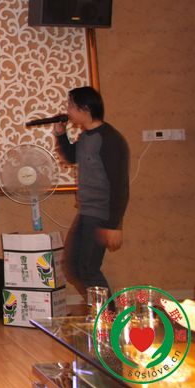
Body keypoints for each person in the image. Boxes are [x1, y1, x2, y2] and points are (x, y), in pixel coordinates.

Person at [54, 86, 129, 298]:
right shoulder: (86, 136)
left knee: (88, 269)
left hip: (100, 215)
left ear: (85, 108)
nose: (67, 110)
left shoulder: (110, 139)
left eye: (71, 106)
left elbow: (120, 186)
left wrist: (114, 225)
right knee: (72, 267)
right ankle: (99, 311)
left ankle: (108, 315)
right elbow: (72, 157)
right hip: (86, 212)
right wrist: (61, 135)